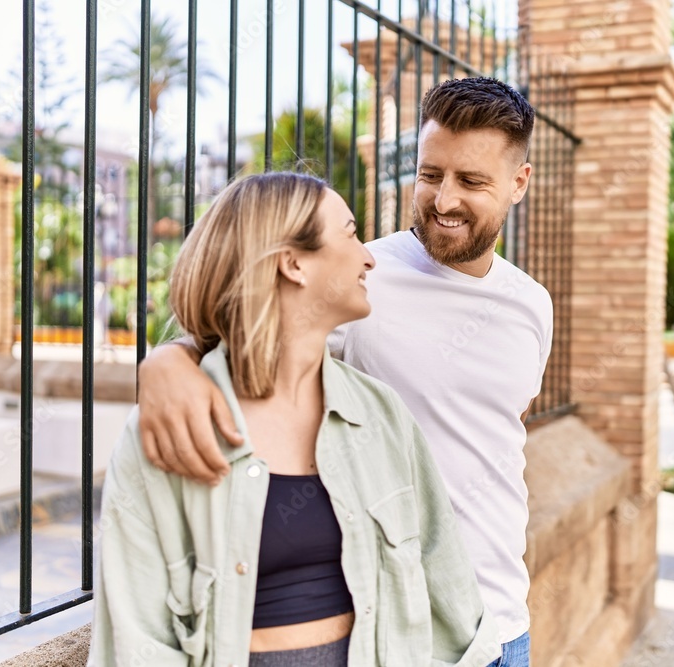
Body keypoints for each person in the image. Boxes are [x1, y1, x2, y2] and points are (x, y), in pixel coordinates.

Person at [137, 78, 553, 666]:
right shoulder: (357, 277)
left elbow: (504, 433)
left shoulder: (532, 305)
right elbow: (233, 333)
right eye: (430, 175)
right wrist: (165, 363)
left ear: (519, 182)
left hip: (505, 625)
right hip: (401, 627)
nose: (443, 200)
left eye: (472, 181)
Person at [87, 172, 501, 667]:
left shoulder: (383, 415)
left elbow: (446, 583)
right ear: (293, 264)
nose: (368, 256)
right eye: (349, 234)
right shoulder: (168, 429)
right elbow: (138, 642)